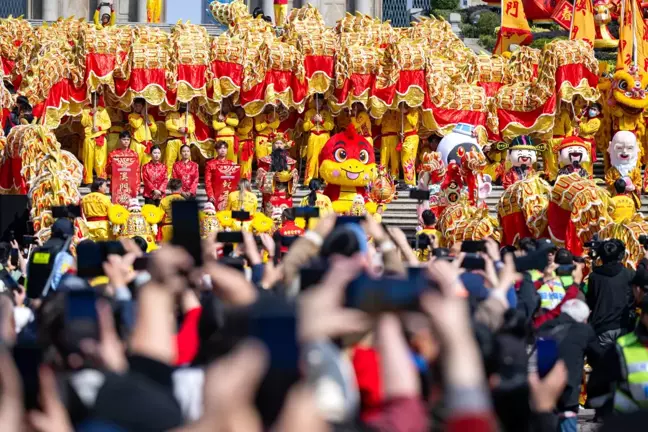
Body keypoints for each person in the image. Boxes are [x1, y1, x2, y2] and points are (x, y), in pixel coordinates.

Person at [537, 299, 602, 432]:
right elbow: (599, 357)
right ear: (583, 319)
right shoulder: (584, 330)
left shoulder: (545, 327)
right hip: (568, 395)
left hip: (542, 394)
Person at [586, 239, 636, 350]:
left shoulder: (594, 277)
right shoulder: (629, 275)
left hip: (601, 327)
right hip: (623, 326)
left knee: (604, 364)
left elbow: (590, 301)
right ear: (621, 255)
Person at [377, 103, 420, 187]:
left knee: (403, 160)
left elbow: (413, 123)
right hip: (391, 137)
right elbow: (378, 123)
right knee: (384, 159)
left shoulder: (413, 111)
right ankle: (383, 179)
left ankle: (403, 180)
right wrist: (381, 113)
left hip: (410, 137)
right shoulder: (398, 112)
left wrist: (406, 112)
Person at [80, 93, 111, 185]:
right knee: (88, 160)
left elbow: (108, 124)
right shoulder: (85, 110)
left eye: (97, 99)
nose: (95, 101)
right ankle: (88, 180)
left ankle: (101, 180)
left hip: (100, 137)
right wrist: (90, 114)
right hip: (89, 138)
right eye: (93, 99)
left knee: (101, 161)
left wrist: (99, 128)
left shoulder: (103, 110)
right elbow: (83, 123)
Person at [302, 94, 334, 184]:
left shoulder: (327, 113)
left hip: (324, 136)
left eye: (320, 101)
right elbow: (305, 127)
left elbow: (331, 126)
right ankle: (309, 178)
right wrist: (312, 121)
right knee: (312, 157)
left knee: (325, 157)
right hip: (313, 136)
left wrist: (322, 121)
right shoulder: (309, 113)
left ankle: (326, 178)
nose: (318, 103)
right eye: (316, 101)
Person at [165, 103, 196, 175]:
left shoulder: (189, 115)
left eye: (184, 104)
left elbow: (193, 128)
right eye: (181, 103)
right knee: (170, 160)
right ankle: (169, 179)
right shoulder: (171, 114)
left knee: (186, 161)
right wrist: (178, 129)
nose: (183, 105)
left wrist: (186, 129)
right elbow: (168, 125)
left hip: (184, 140)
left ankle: (186, 178)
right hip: (173, 140)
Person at [205, 141, 236, 205]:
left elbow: (235, 181)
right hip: (215, 195)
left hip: (229, 195)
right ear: (216, 150)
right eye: (220, 148)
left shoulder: (231, 164)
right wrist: (210, 195)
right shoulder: (210, 164)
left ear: (227, 150)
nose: (223, 150)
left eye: (224, 148)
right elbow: (208, 181)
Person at [128, 98, 158, 165]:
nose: (137, 107)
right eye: (136, 106)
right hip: (136, 143)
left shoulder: (149, 116)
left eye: (139, 106)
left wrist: (149, 122)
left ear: (143, 107)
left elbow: (154, 129)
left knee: (146, 165)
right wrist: (142, 116)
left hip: (147, 144)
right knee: (135, 164)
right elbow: (136, 125)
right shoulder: (131, 116)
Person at [235, 107, 255, 180]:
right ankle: (239, 180)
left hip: (246, 144)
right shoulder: (238, 120)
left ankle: (245, 182)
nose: (238, 114)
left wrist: (236, 129)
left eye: (240, 111)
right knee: (239, 163)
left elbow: (244, 131)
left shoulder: (248, 119)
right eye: (237, 112)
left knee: (245, 164)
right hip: (238, 144)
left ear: (244, 111)